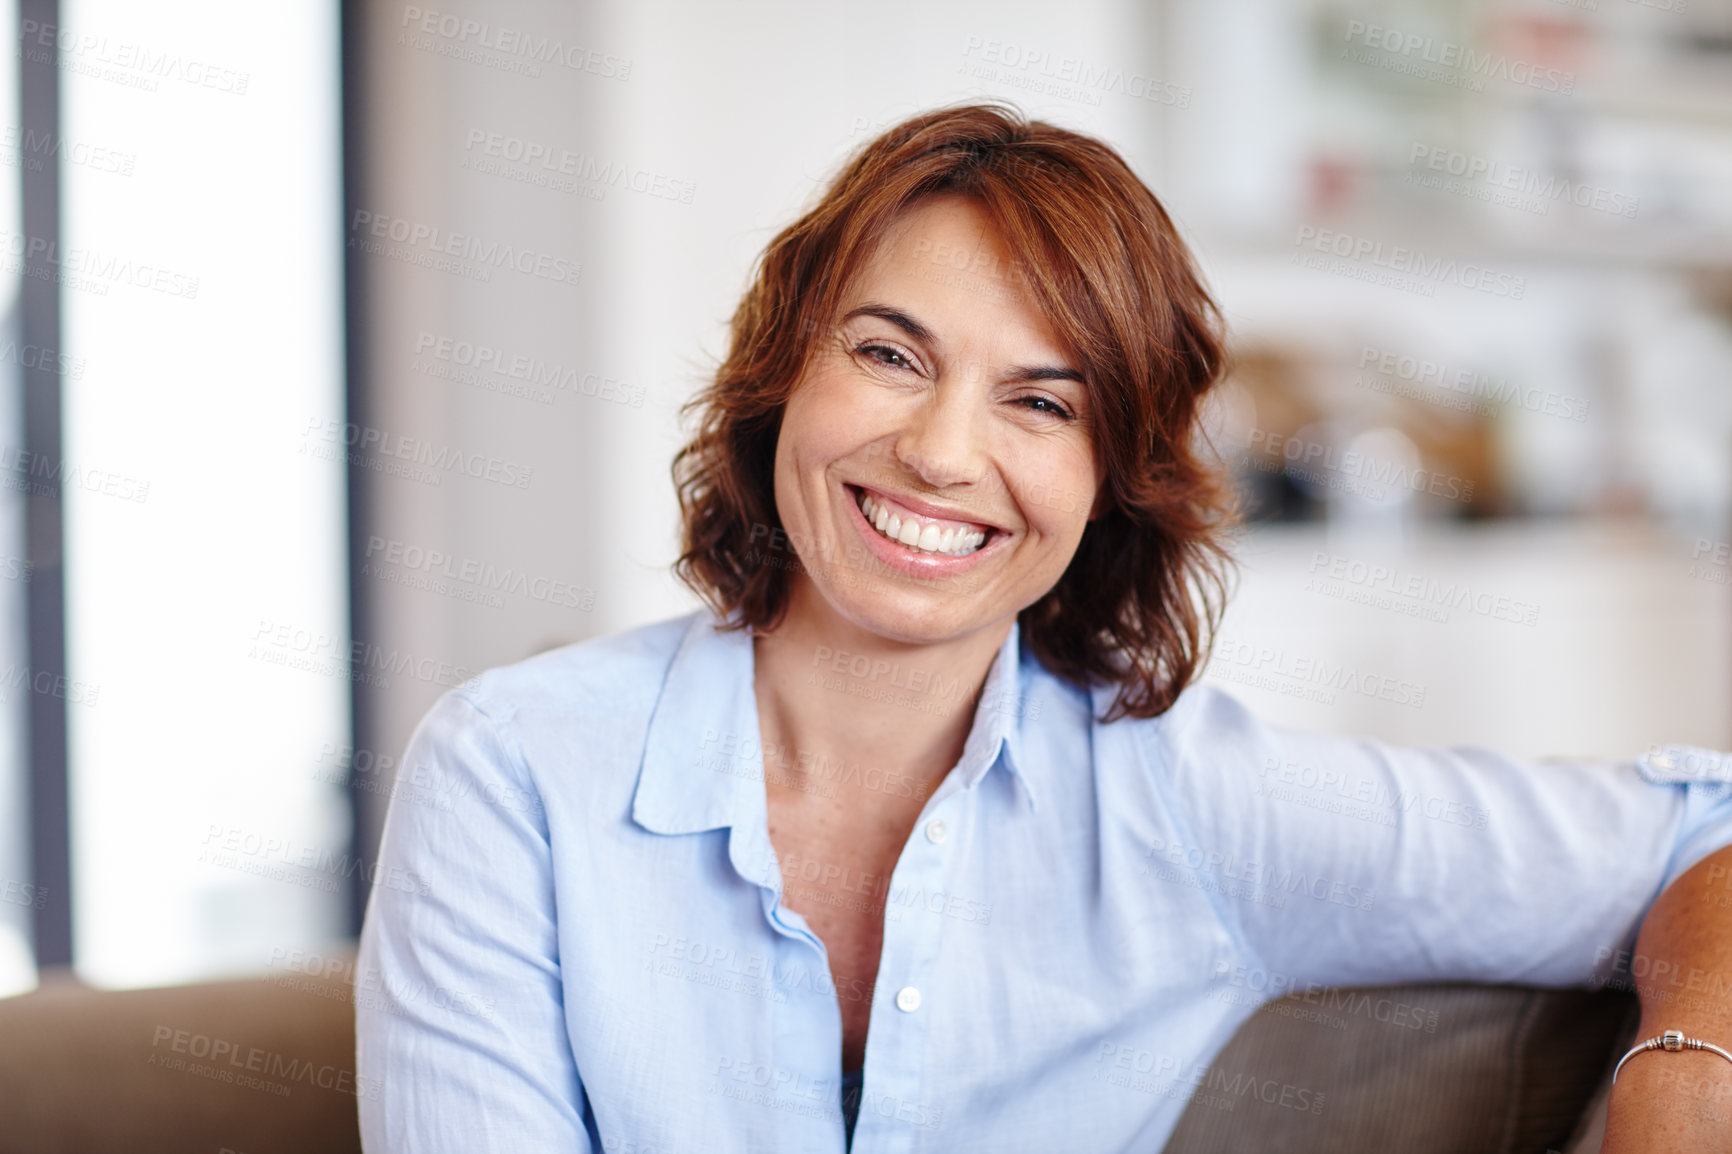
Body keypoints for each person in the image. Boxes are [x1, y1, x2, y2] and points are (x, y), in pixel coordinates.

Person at [355, 103, 1732, 1153]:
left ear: (1106, 477)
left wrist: (1677, 1082)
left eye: (1042, 402)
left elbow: (1699, 832)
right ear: (785, 377)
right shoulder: (514, 772)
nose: (942, 453)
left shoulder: (1189, 799)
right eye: (889, 353)